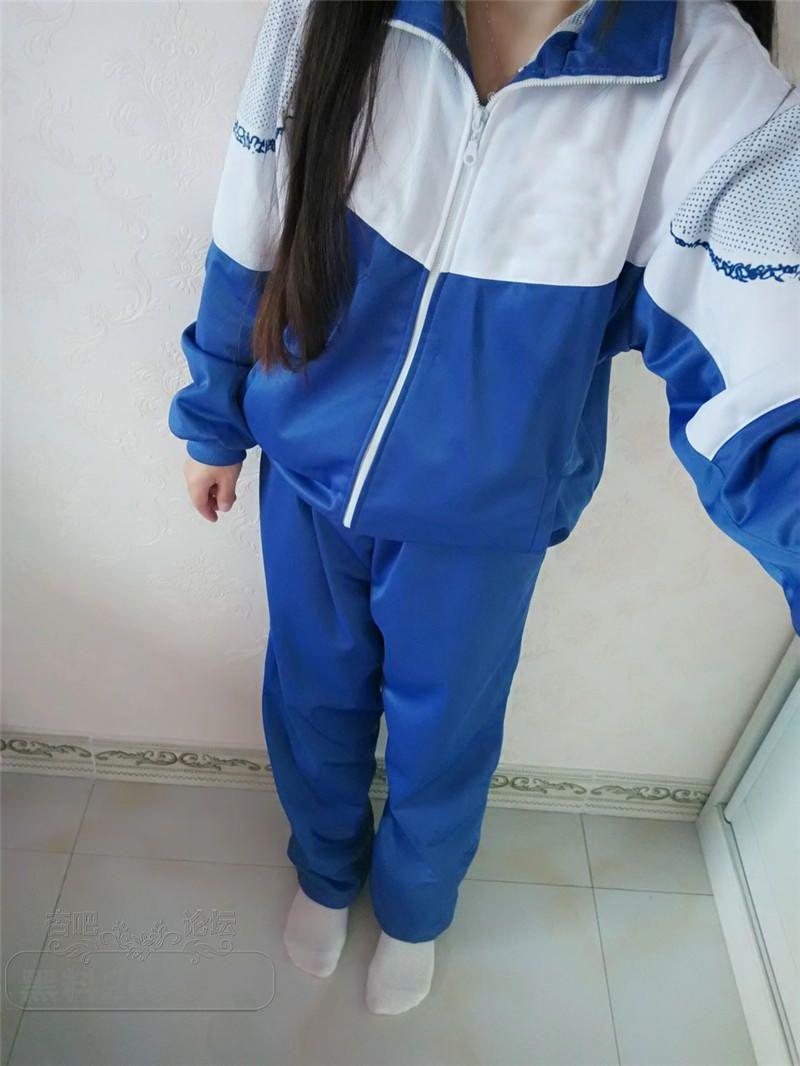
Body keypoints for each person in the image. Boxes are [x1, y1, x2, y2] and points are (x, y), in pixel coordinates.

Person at [169, 0, 799, 1014]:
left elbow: (773, 361)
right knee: (311, 698)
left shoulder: (704, 78)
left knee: (445, 736)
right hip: (307, 473)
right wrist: (212, 416)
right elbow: (254, 210)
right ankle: (324, 870)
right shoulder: (334, 15)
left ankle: (415, 909)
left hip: (482, 521)